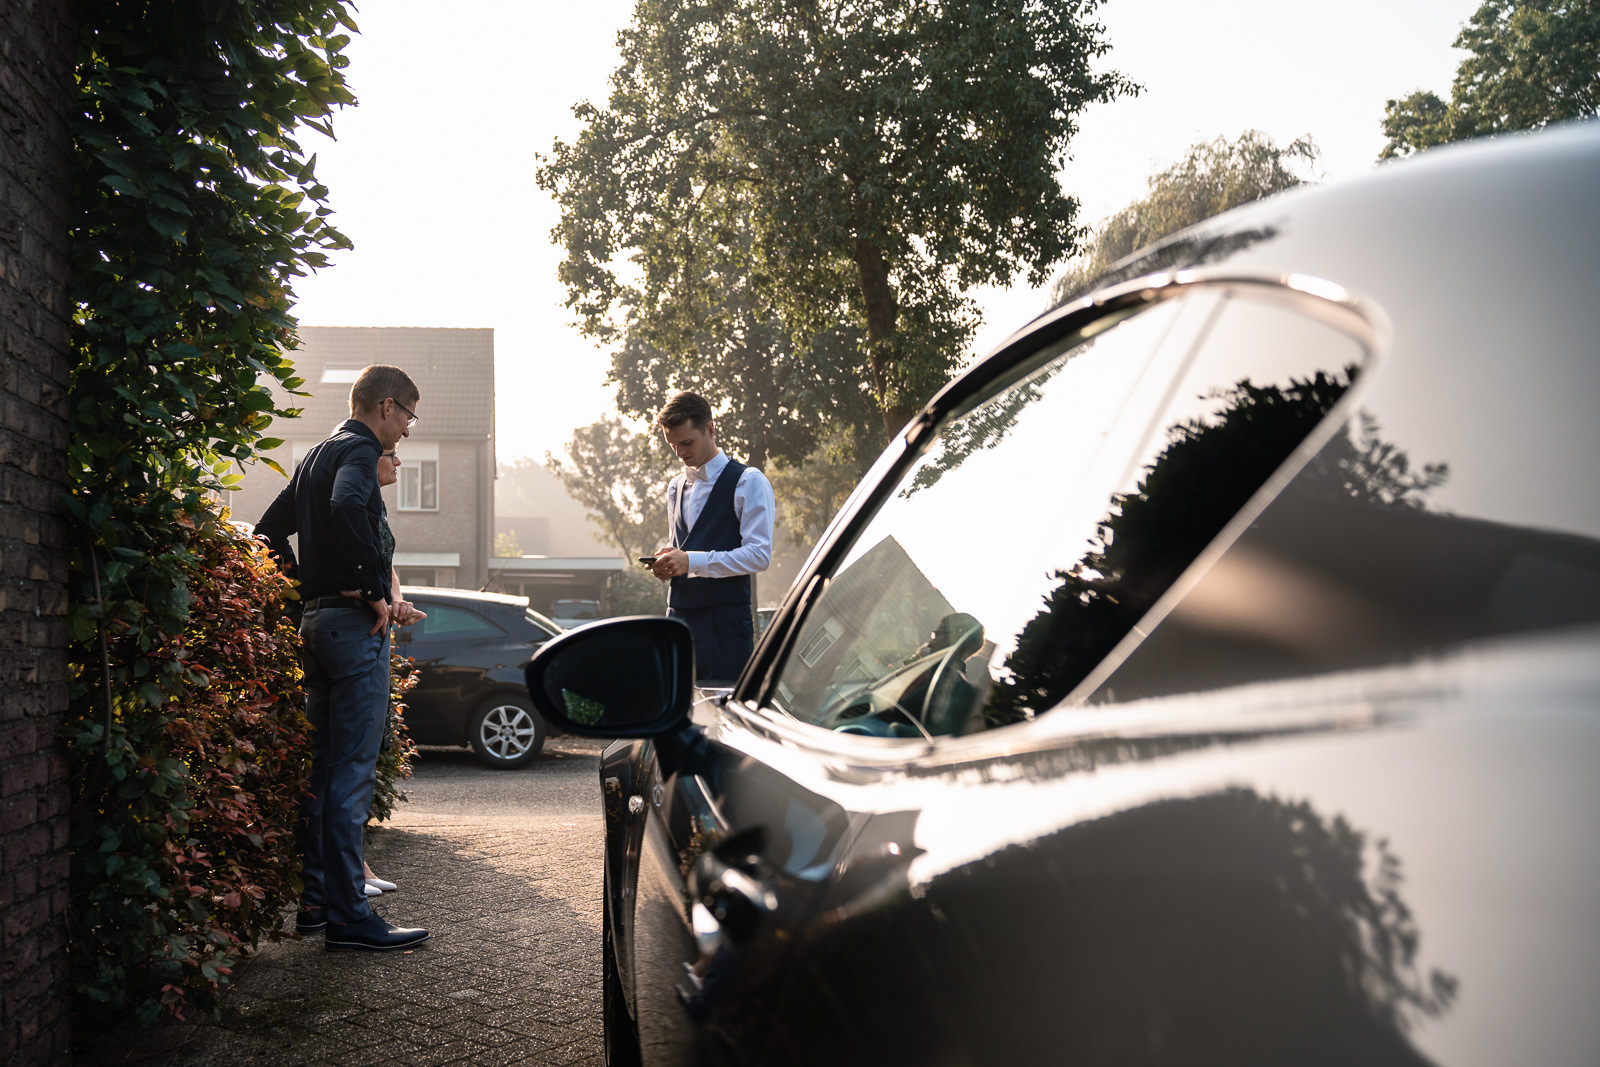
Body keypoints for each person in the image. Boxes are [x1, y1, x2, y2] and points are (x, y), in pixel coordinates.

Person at [256, 365, 430, 951]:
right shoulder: (356, 450)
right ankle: (351, 920)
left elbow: (266, 531)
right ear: (386, 406)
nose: (406, 430)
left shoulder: (315, 454)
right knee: (350, 776)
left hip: (316, 625)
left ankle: (315, 903)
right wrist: (373, 589)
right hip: (354, 632)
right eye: (408, 416)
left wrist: (311, 587)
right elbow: (350, 506)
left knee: (322, 772)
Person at [647, 391, 775, 682]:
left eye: (686, 442)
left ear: (710, 429)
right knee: (677, 709)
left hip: (724, 624)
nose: (679, 452)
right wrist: (668, 561)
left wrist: (689, 561)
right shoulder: (674, 487)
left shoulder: (749, 481)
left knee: (723, 714)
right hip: (678, 617)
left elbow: (759, 555)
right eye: (673, 445)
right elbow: (683, 546)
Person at [360, 445, 424, 897]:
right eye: (391, 454)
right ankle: (349, 871)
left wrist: (396, 599)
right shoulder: (349, 498)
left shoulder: (373, 504)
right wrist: (375, 598)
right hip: (356, 635)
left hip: (378, 633)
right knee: (351, 759)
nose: (399, 462)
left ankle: (356, 862)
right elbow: (356, 566)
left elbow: (386, 564)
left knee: (366, 758)